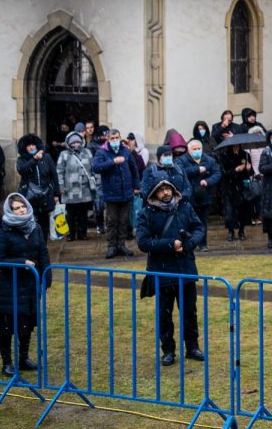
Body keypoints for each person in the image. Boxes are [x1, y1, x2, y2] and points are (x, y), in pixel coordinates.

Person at [136, 180, 205, 367]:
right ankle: (168, 350)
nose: (166, 193)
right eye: (161, 190)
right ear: (153, 194)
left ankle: (192, 347)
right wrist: (169, 245)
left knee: (189, 311)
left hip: (185, 268)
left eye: (168, 189)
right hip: (162, 271)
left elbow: (199, 228)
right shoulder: (146, 214)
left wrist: (189, 244)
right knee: (164, 314)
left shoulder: (185, 207)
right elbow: (143, 242)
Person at [0, 194, 50, 377]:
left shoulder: (35, 227)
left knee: (27, 322)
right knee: (7, 325)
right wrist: (21, 262)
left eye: (22, 206)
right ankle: (7, 362)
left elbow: (43, 253)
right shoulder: (3, 231)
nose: (21, 210)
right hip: (11, 286)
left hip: (31, 285)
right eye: (16, 208)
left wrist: (46, 277)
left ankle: (23, 358)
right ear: (10, 211)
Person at [92, 128, 140, 259]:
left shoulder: (125, 151)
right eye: (112, 138)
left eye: (117, 138)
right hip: (111, 193)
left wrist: (136, 186)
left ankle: (121, 244)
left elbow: (133, 168)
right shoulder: (102, 152)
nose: (115, 141)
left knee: (124, 220)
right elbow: (96, 167)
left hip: (126, 192)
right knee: (112, 220)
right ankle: (112, 246)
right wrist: (112, 162)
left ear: (120, 138)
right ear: (108, 139)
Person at [179, 138, 220, 251]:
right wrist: (196, 169)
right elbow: (180, 172)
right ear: (188, 150)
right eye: (194, 149)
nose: (197, 151)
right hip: (188, 197)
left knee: (202, 222)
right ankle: (189, 243)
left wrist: (208, 181)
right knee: (188, 221)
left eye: (199, 149)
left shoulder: (209, 160)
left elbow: (217, 173)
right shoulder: (182, 160)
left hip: (204, 196)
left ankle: (203, 244)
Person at [56, 131, 97, 242]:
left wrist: (95, 183)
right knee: (70, 214)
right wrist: (61, 186)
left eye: (78, 142)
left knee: (83, 213)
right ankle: (71, 234)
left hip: (84, 189)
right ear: (69, 143)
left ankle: (82, 233)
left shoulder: (87, 152)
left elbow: (93, 169)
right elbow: (59, 171)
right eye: (73, 142)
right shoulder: (64, 154)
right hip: (69, 190)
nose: (76, 144)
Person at [15, 134, 58, 236]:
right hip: (30, 196)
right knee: (31, 223)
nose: (31, 147)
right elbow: (22, 170)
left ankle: (43, 245)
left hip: (45, 195)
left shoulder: (46, 157)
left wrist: (56, 194)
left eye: (33, 145)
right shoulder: (22, 159)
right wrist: (34, 159)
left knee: (44, 224)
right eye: (28, 145)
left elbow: (54, 176)